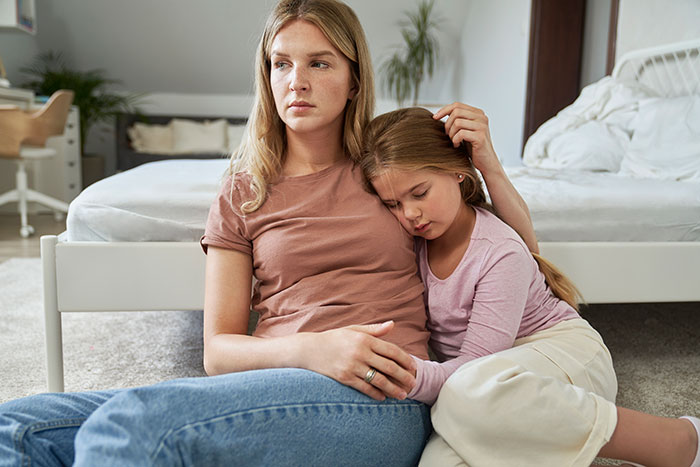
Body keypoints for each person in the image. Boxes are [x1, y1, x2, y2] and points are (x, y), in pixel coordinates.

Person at [0, 1, 536, 465]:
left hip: (380, 396)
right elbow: (218, 352)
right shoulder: (243, 190)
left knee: (138, 425)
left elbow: (516, 259)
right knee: (17, 426)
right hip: (270, 380)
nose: (295, 81)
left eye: (319, 63)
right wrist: (311, 350)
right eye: (281, 63)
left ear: (353, 81)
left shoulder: (387, 170)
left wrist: (488, 163)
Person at [358, 106, 700, 467]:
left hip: (559, 355)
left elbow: (475, 364)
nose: (409, 213)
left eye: (420, 192)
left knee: (460, 394)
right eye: (393, 204)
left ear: (458, 172)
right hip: (487, 381)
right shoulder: (410, 242)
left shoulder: (499, 251)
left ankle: (679, 441)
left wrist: (404, 375)